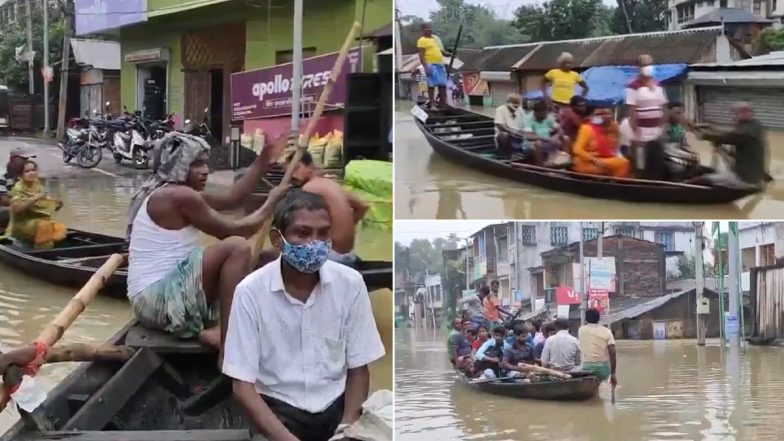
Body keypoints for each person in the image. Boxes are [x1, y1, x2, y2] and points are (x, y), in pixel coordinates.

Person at [222, 189, 385, 441]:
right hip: (278, 411)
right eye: (303, 233)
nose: (315, 244)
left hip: (336, 407)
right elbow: (242, 387)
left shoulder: (350, 283)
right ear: (277, 240)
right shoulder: (250, 292)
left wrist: (347, 428)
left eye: (323, 234)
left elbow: (358, 369)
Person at [126, 132, 289, 366]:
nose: (204, 170)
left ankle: (231, 326)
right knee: (238, 248)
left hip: (166, 293)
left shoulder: (179, 193)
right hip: (155, 300)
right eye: (195, 164)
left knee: (266, 259)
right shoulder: (177, 195)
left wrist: (263, 159)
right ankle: (226, 336)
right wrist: (271, 201)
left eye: (204, 163)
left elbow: (234, 198)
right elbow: (234, 232)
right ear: (177, 165)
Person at [288, 151, 369, 266]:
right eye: (289, 171)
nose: (292, 175)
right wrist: (347, 226)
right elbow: (362, 207)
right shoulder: (332, 184)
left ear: (310, 166)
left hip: (332, 257)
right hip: (349, 254)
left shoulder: (309, 188)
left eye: (296, 168)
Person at [696, 102, 768, 189]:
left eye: (735, 113)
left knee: (702, 179)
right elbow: (731, 135)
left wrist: (704, 135)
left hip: (744, 179)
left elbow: (730, 137)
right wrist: (712, 128)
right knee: (711, 171)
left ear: (745, 112)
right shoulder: (754, 125)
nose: (733, 117)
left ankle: (680, 186)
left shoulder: (746, 132)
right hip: (751, 176)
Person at [4, 160, 66, 249]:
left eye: (33, 170)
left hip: (39, 221)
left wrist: (56, 204)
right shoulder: (18, 188)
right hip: (22, 223)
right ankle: (43, 250)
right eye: (27, 171)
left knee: (60, 228)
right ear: (21, 174)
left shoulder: (39, 186)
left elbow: (45, 207)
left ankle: (44, 245)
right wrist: (34, 198)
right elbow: (17, 209)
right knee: (45, 226)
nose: (31, 173)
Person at [626, 54, 668, 180]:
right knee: (640, 162)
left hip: (657, 130)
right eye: (644, 64)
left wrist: (662, 128)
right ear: (638, 67)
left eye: (650, 64)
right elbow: (632, 111)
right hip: (641, 130)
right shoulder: (633, 86)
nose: (648, 67)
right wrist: (635, 132)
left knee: (656, 159)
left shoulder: (658, 85)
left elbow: (664, 108)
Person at [572, 107, 630, 177]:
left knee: (624, 162)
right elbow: (577, 149)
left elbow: (615, 147)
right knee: (623, 164)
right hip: (588, 162)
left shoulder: (613, 127)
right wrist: (594, 160)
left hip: (605, 159)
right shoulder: (587, 129)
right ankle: (617, 185)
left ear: (611, 115)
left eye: (607, 113)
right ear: (592, 117)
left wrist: (611, 130)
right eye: (599, 114)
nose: (603, 116)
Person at [578, 308, 617, 386]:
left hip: (586, 367)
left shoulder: (581, 330)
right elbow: (612, 352)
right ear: (599, 318)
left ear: (586, 318)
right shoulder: (607, 331)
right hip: (603, 369)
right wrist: (613, 373)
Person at [663, 102, 701, 180]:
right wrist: (687, 156)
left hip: (677, 155)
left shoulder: (679, 127)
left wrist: (693, 153)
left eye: (682, 112)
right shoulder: (666, 128)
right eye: (677, 113)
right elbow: (667, 149)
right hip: (667, 157)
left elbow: (684, 144)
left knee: (696, 167)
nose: (681, 115)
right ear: (669, 113)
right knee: (679, 169)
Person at [417, 23, 451, 110]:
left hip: (439, 63)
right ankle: (432, 105)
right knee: (431, 85)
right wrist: (426, 67)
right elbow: (421, 56)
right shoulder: (422, 40)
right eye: (427, 28)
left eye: (430, 28)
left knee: (442, 84)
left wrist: (448, 54)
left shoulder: (435, 39)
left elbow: (441, 51)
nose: (429, 30)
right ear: (423, 30)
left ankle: (443, 103)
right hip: (430, 64)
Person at [1, 146, 36, 226]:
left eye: (27, 160)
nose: (26, 163)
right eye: (23, 159)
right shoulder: (2, 176)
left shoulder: (24, 178)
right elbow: (3, 199)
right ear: (13, 160)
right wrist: (26, 204)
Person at [494, 94, 528, 160]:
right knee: (505, 134)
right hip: (504, 134)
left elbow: (525, 122)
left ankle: (523, 153)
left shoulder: (520, 110)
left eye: (517, 103)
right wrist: (511, 130)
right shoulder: (500, 109)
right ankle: (509, 154)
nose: (516, 105)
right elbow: (499, 125)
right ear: (508, 102)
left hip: (518, 134)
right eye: (514, 103)